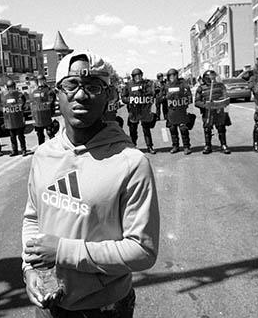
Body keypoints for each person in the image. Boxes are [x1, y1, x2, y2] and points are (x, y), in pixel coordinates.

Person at [22, 51, 159, 317]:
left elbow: (142, 251)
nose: (81, 95)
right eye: (71, 85)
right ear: (57, 94)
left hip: (104, 308)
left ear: (108, 96)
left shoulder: (131, 163)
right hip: (49, 304)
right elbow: (32, 219)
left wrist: (62, 251)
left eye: (93, 87)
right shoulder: (43, 155)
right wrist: (29, 269)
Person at [194, 70, 231, 154]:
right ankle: (208, 146)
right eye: (211, 78)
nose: (213, 79)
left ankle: (223, 145)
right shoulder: (201, 88)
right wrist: (206, 105)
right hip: (207, 112)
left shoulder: (220, 86)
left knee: (221, 127)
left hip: (218, 110)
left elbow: (226, 96)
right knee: (207, 129)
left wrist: (222, 102)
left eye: (214, 77)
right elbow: (196, 102)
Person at [121, 68, 157, 154]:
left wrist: (147, 94)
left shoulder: (147, 84)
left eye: (139, 75)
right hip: (133, 111)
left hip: (144, 110)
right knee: (133, 130)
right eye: (136, 76)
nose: (138, 77)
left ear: (142, 75)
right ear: (133, 77)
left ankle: (149, 146)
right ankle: (133, 146)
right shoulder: (129, 85)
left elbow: (152, 94)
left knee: (146, 130)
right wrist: (129, 100)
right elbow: (123, 97)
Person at [165, 68, 193, 155]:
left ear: (177, 75)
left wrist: (184, 99)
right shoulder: (166, 86)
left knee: (183, 129)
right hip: (171, 111)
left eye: (174, 75)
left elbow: (189, 96)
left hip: (181, 110)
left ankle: (186, 147)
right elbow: (161, 97)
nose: (172, 77)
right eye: (170, 76)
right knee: (172, 129)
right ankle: (175, 146)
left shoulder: (183, 84)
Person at [2, 79, 28, 156]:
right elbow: (3, 106)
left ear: (14, 87)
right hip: (10, 120)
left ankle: (24, 150)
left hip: (18, 119)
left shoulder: (20, 95)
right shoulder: (5, 96)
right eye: (9, 88)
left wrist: (21, 108)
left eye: (12, 87)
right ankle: (15, 150)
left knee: (21, 136)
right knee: (12, 137)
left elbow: (23, 103)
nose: (11, 89)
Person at [31, 74, 57, 145]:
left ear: (45, 81)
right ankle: (41, 148)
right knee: (40, 134)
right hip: (38, 117)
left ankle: (54, 146)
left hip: (46, 115)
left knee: (50, 132)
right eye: (39, 80)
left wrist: (50, 108)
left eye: (42, 80)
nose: (41, 82)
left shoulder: (48, 90)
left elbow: (51, 101)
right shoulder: (35, 91)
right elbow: (33, 103)